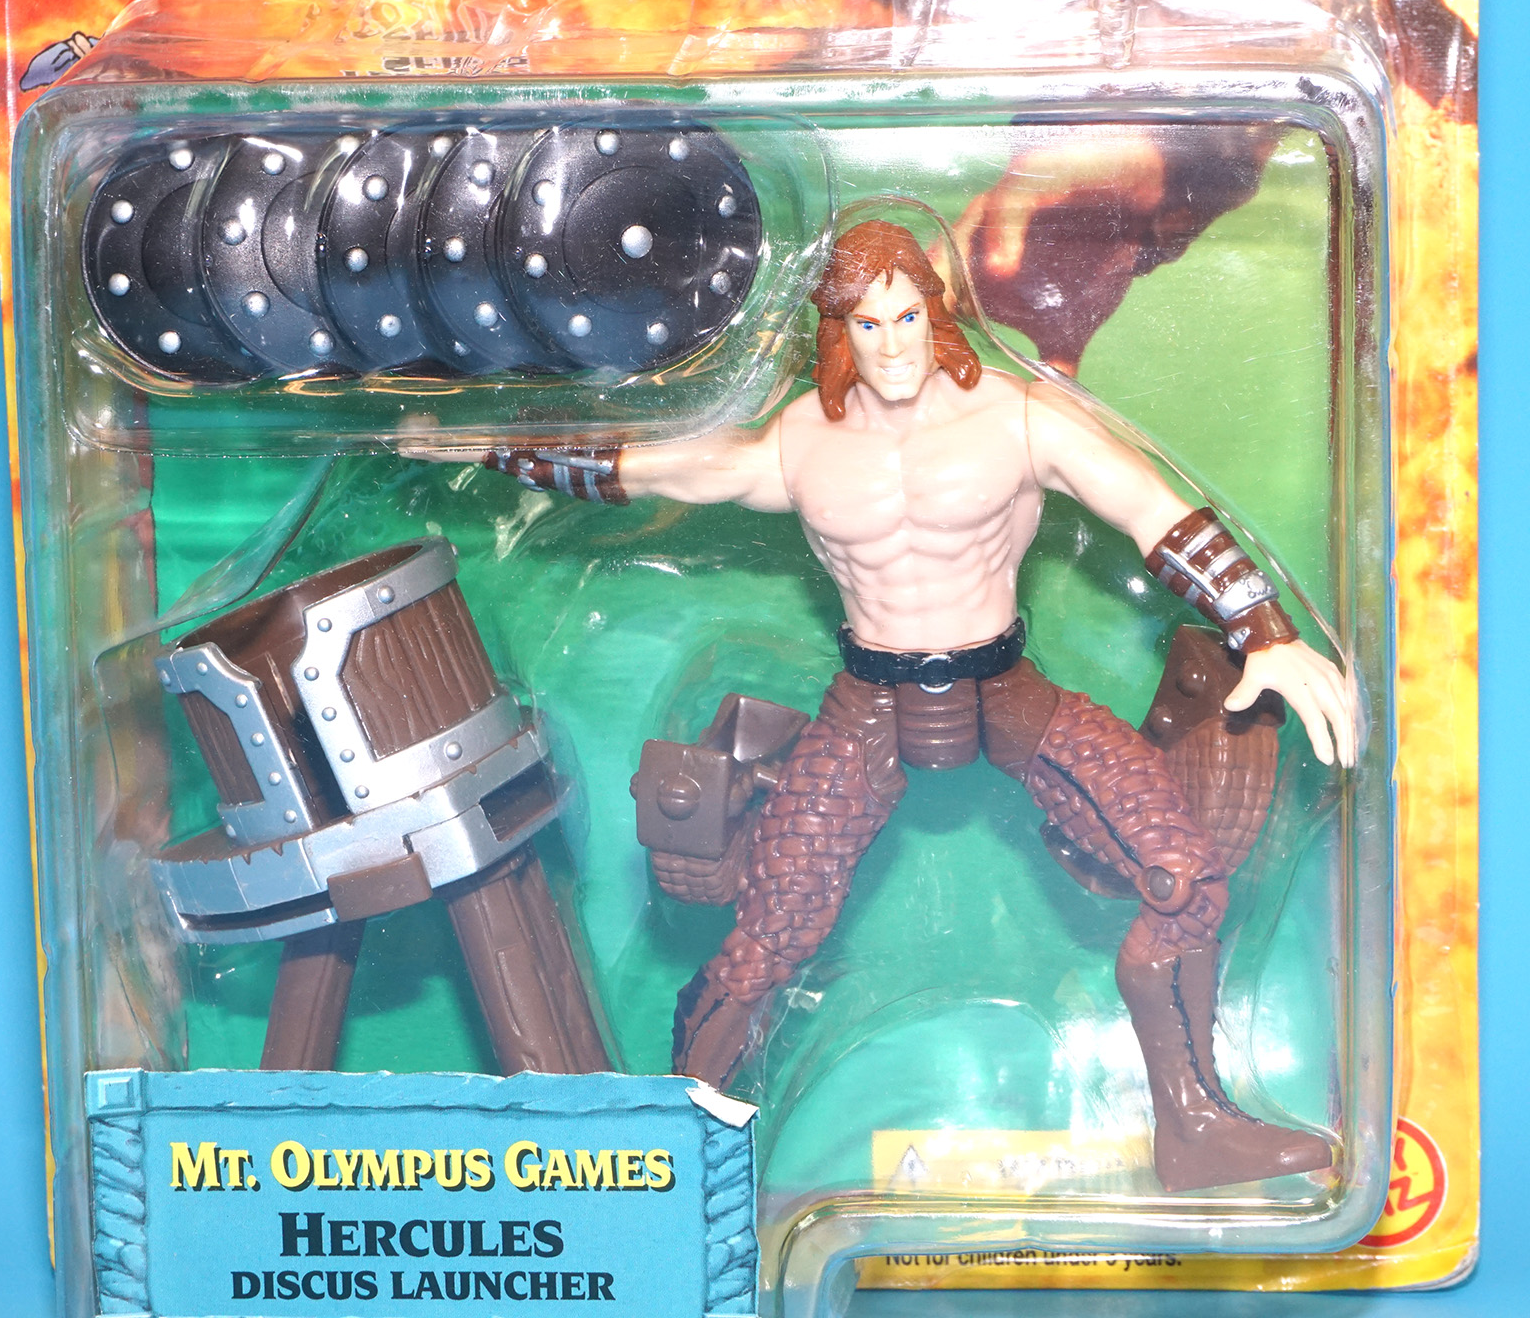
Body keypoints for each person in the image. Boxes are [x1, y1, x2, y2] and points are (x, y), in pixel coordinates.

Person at [416, 220, 1357, 1192]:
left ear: (937, 316)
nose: (893, 343)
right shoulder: (800, 441)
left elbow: (1151, 508)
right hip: (870, 699)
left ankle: (1194, 1128)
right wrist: (482, 439)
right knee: (767, 936)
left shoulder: (1019, 418)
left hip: (1004, 687)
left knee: (1182, 878)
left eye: (907, 317)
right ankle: (672, 1154)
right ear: (838, 333)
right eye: (868, 324)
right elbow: (647, 466)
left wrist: (1265, 630)